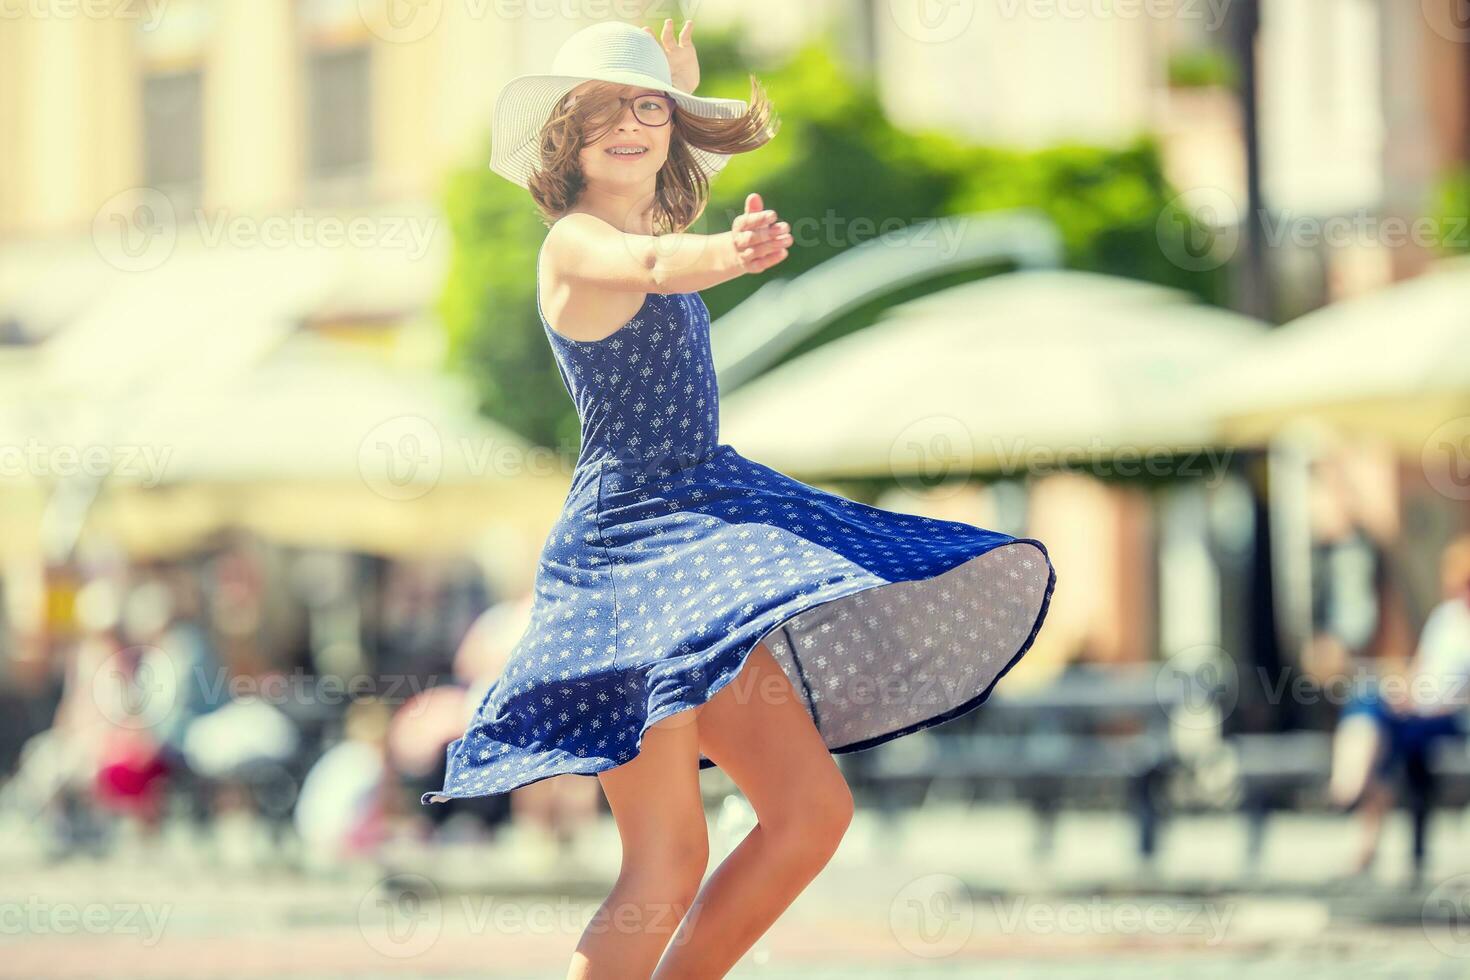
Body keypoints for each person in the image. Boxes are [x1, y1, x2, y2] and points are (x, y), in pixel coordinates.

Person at [420, 19, 1058, 978]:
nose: (629, 127)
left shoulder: (651, 223)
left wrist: (679, 95)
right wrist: (734, 248)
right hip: (632, 558)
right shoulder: (575, 244)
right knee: (667, 860)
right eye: (605, 113)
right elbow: (650, 266)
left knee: (811, 815)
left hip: (706, 536)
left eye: (645, 112)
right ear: (564, 138)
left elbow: (664, 234)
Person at [1330, 534, 1470, 877]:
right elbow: (1420, 669)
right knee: (1369, 702)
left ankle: (1347, 790)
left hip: (1449, 717)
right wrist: (1404, 691)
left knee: (1377, 722)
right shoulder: (1446, 618)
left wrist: (1442, 703)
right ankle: (1352, 788)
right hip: (1419, 708)